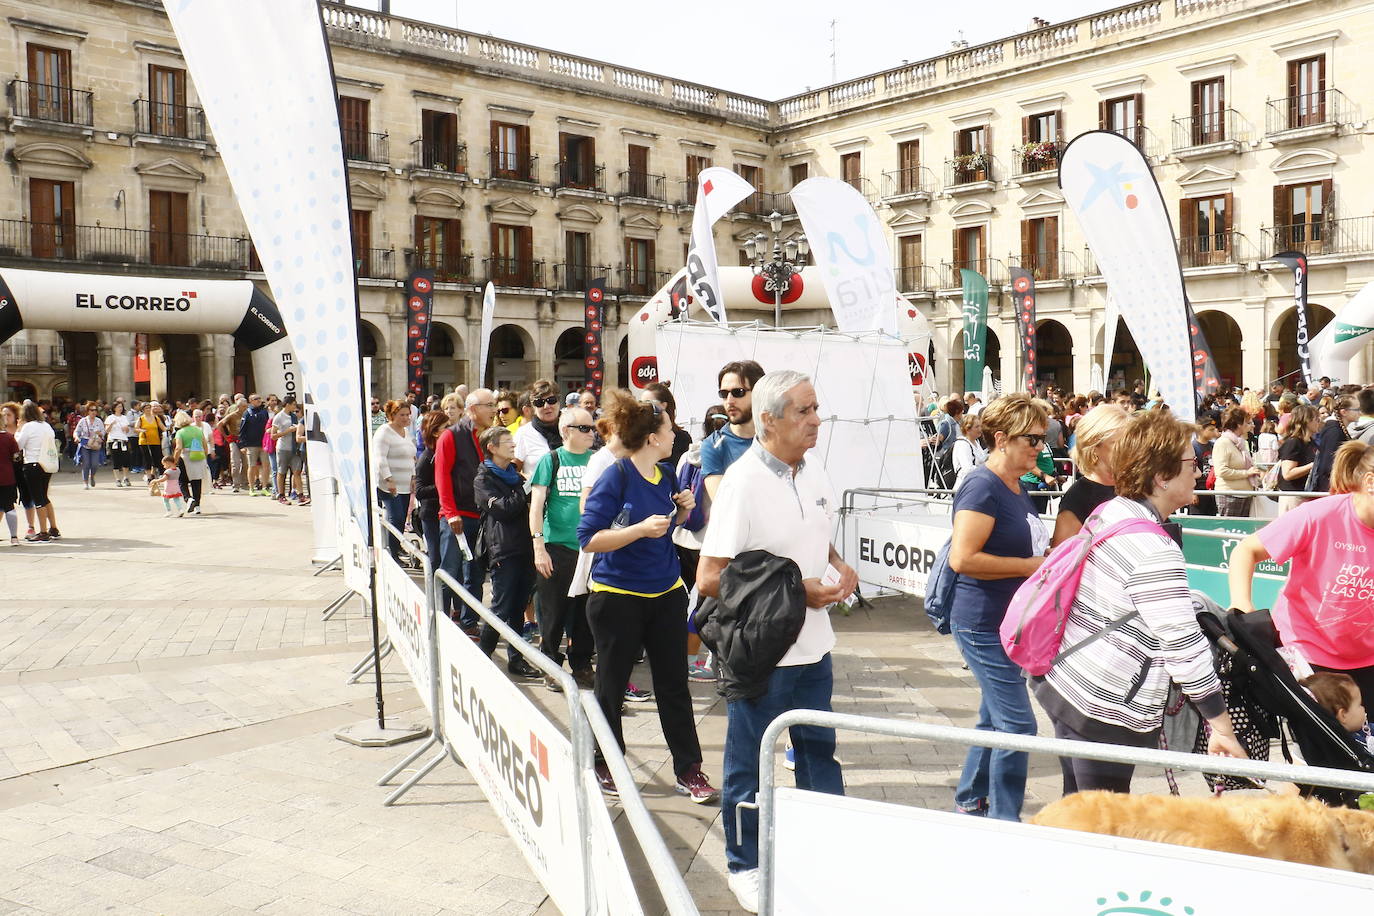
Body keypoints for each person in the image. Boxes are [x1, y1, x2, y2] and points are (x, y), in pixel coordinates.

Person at [696, 370, 856, 913]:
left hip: (816, 647)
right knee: (750, 762)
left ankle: (823, 851)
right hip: (763, 654)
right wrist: (795, 589)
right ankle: (745, 864)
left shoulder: (812, 469)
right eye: (804, 411)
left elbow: (816, 532)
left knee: (819, 754)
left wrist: (838, 565)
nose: (816, 420)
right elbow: (709, 577)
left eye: (816, 408)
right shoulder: (742, 482)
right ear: (769, 420)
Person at [1036, 411, 1245, 794]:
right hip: (1102, 702)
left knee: (1080, 810)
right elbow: (1183, 647)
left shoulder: (1112, 511)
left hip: (1071, 680)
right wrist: (1221, 726)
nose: (1198, 472)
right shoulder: (1152, 548)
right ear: (1162, 476)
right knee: (1101, 824)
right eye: (1191, 462)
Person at [576, 391, 718, 805]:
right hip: (616, 596)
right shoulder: (616, 475)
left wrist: (685, 511)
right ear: (653, 437)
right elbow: (589, 539)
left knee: (674, 684)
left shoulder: (668, 474)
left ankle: (688, 769)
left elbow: (672, 525)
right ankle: (606, 761)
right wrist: (638, 529)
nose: (675, 435)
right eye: (670, 429)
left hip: (666, 593)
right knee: (612, 685)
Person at [946, 393, 1050, 821]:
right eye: (1032, 438)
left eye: (1043, 439)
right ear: (1002, 438)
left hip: (1006, 622)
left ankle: (971, 797)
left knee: (995, 718)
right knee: (1019, 726)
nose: (1040, 447)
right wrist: (1031, 567)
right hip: (981, 623)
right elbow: (962, 559)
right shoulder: (982, 484)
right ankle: (1004, 820)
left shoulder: (1014, 485)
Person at [1229, 440, 1374, 703]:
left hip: (1367, 658)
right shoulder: (1318, 516)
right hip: (1308, 655)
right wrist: (1243, 607)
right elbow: (1246, 551)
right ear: (1370, 482)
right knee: (1327, 742)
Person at [529, 407, 596, 692]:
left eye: (592, 427)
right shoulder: (551, 460)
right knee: (553, 612)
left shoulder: (597, 460)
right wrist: (538, 546)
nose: (592, 433)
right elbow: (536, 504)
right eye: (585, 428)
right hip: (557, 546)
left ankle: (581, 665)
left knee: (585, 612)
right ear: (567, 430)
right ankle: (550, 665)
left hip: (590, 547)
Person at [473, 425, 541, 680]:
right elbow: (502, 510)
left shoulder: (516, 475)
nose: (513, 445)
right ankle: (483, 656)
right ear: (492, 448)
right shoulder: (483, 479)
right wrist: (524, 491)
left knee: (518, 606)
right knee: (501, 607)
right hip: (503, 549)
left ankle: (516, 659)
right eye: (507, 442)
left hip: (524, 545)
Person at [436, 389, 498, 628]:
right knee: (450, 570)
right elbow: (442, 475)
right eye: (489, 405)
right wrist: (451, 514)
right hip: (457, 516)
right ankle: (440, 620)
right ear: (473, 409)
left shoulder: (490, 436)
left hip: (482, 515)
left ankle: (469, 621)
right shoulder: (451, 436)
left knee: (475, 574)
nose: (494, 410)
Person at [1052, 404, 1131, 546]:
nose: (1126, 449)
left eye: (1129, 443)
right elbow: (1061, 557)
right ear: (1094, 447)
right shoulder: (1079, 497)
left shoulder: (1134, 487)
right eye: (1117, 443)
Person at [703, 360, 765, 503]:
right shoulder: (714, 445)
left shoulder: (779, 438)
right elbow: (723, 505)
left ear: (759, 393)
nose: (729, 401)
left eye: (738, 392)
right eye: (724, 394)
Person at [372, 399, 414, 562]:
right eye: (401, 415)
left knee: (402, 517)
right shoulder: (384, 432)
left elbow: (411, 456)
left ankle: (396, 546)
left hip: (405, 484)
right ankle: (391, 551)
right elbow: (380, 458)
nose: (405, 418)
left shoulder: (406, 432)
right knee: (395, 516)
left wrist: (413, 476)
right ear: (392, 415)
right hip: (389, 484)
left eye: (407, 415)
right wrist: (388, 479)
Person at [413, 409, 452, 588]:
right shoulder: (427, 457)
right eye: (447, 427)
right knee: (436, 558)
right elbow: (419, 490)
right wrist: (443, 487)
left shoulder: (450, 451)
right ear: (436, 431)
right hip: (431, 514)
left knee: (450, 559)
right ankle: (436, 602)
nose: (451, 430)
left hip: (448, 513)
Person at [15, 403, 58, 542]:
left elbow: (18, 445)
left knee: (38, 499)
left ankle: (43, 532)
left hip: (32, 464)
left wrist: (18, 430)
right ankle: (54, 528)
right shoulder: (46, 425)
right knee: (44, 497)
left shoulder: (28, 426)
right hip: (46, 464)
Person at [1212, 405, 1260, 517]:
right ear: (1239, 424)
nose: (1250, 425)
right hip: (1230, 495)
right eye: (1246, 422)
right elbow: (1221, 471)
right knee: (1231, 531)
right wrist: (1247, 473)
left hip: (1245, 494)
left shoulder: (1241, 443)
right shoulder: (1223, 443)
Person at [1310, 395, 1359, 494]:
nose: (1359, 412)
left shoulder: (1336, 429)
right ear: (1344, 412)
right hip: (1330, 488)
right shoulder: (1335, 431)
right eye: (1356, 409)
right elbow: (1329, 464)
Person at [513, 379, 562, 476]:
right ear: (533, 407)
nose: (546, 406)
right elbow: (513, 470)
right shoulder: (524, 433)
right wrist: (531, 480)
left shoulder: (572, 428)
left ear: (559, 402)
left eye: (551, 400)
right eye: (539, 403)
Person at [1277, 403, 1320, 514]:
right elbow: (1287, 474)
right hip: (1293, 496)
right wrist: (1313, 465)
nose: (1318, 422)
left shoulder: (1311, 442)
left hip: (1305, 494)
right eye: (1316, 419)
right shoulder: (1293, 442)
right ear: (1307, 421)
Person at [640, 382, 691, 468]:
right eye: (641, 402)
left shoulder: (682, 438)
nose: (643, 407)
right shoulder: (640, 436)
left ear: (664, 405)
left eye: (649, 403)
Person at [172, 410, 211, 515]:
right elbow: (205, 445)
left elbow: (178, 448)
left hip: (186, 457)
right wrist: (205, 456)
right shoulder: (198, 430)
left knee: (182, 480)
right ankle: (197, 506)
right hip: (199, 456)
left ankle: (188, 499)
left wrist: (174, 461)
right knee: (196, 481)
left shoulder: (180, 432)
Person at [270, 395, 305, 505]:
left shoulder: (294, 416)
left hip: (294, 448)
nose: (295, 406)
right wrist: (287, 431)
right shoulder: (279, 417)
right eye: (293, 404)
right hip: (283, 448)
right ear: (288, 404)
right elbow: (273, 436)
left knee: (297, 471)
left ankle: (300, 495)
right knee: (282, 472)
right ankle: (281, 495)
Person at [239, 394, 271, 495]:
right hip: (251, 444)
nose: (259, 400)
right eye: (256, 399)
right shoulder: (247, 413)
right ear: (251, 401)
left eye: (259, 398)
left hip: (263, 444)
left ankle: (265, 487)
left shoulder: (264, 411)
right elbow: (242, 430)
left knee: (266, 465)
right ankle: (251, 488)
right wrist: (242, 445)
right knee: (252, 466)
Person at [950, 413, 986, 492]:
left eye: (980, 426)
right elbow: (967, 469)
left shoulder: (976, 442)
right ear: (968, 429)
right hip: (966, 488)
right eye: (977, 427)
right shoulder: (962, 444)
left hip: (976, 485)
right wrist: (987, 469)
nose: (980, 429)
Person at [0, 409, 19, 545]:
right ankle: (14, 537)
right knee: (9, 507)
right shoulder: (9, 437)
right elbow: (16, 457)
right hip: (7, 476)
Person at [104, 400, 133, 488]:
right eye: (118, 407)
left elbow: (127, 430)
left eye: (121, 407)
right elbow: (107, 430)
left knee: (126, 460)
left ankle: (126, 477)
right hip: (113, 440)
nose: (120, 409)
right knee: (116, 460)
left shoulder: (124, 417)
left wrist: (126, 428)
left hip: (123, 439)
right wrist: (112, 424)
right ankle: (117, 479)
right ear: (114, 408)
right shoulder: (110, 418)